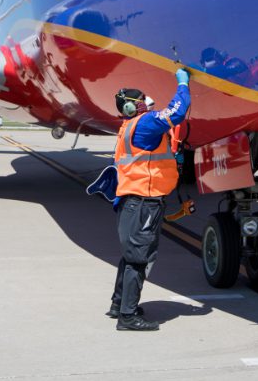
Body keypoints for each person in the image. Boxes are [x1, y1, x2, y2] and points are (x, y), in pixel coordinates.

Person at [107, 67, 191, 331]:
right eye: (141, 99)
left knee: (130, 255)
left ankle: (119, 304)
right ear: (132, 107)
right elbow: (177, 111)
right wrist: (183, 84)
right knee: (139, 258)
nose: (146, 102)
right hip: (144, 201)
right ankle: (128, 317)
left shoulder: (128, 127)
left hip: (133, 201)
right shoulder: (144, 122)